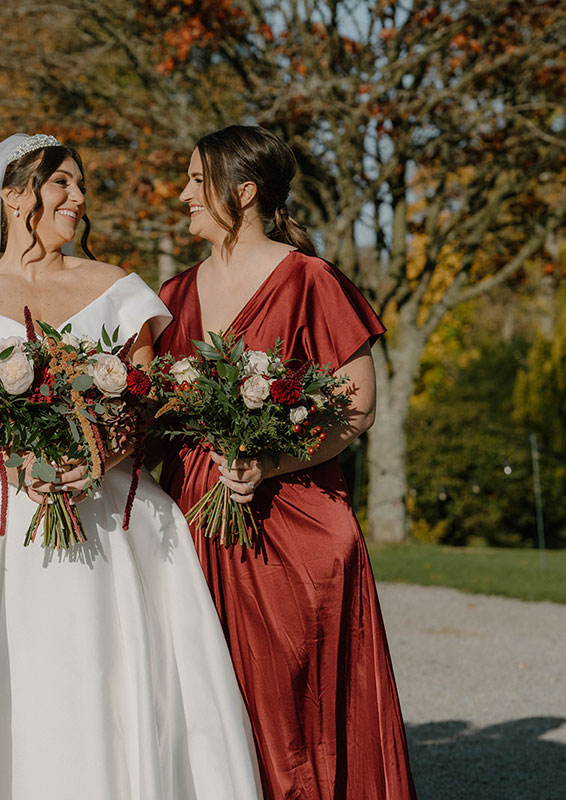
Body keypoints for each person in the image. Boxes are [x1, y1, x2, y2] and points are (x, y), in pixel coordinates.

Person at [0, 133, 261, 800]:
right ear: (12, 195)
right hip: (1, 517)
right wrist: (17, 466)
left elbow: (142, 399)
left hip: (112, 510)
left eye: (80, 185)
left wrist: (96, 455)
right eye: (62, 183)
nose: (78, 198)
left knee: (122, 675)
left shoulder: (116, 288)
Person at [155, 124, 416, 799]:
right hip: (195, 522)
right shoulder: (173, 295)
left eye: (195, 180)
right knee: (209, 696)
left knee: (292, 698)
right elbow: (151, 411)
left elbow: (356, 405)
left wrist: (267, 462)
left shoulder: (311, 280)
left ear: (242, 192)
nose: (182, 193)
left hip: (295, 524)